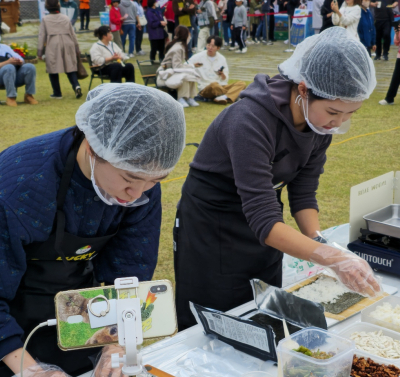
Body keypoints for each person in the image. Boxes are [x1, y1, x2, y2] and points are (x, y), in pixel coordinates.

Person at [0, 83, 186, 377]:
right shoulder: (20, 186)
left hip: (74, 309)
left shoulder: (141, 187)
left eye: (154, 180)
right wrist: (31, 375)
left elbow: (129, 276)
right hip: (3, 312)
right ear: (94, 148)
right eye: (129, 178)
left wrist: (115, 345)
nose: (136, 194)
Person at [173, 28, 381, 330]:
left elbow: (303, 191)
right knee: (218, 321)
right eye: (334, 112)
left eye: (350, 114)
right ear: (304, 89)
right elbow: (262, 217)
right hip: (213, 225)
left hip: (268, 224)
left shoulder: (318, 125)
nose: (339, 123)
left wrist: (318, 240)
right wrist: (329, 257)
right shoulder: (249, 120)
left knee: (265, 312)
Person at [0, 24, 38, 107]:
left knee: (30, 67)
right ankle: (11, 97)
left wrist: (19, 61)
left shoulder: (4, 47)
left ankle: (29, 95)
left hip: (13, 75)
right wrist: (8, 62)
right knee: (9, 67)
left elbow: (20, 58)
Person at [38, 0, 83, 100]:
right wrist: (76, 47)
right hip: (68, 42)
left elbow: (42, 36)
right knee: (70, 66)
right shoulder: (65, 18)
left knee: (52, 68)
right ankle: (76, 86)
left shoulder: (45, 19)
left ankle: (57, 93)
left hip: (53, 43)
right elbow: (73, 34)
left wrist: (40, 51)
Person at [190, 35, 246, 103]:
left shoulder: (222, 58)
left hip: (221, 86)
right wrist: (193, 66)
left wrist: (222, 74)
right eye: (208, 45)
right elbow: (186, 65)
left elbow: (225, 78)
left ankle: (223, 97)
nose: (210, 48)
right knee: (214, 85)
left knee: (241, 84)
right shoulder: (198, 56)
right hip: (206, 87)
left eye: (213, 46)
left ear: (218, 48)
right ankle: (231, 95)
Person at [158, 25, 199, 106]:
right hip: (165, 74)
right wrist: (190, 67)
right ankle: (181, 97)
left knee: (191, 73)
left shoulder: (181, 46)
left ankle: (190, 97)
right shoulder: (178, 48)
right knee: (185, 75)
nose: (190, 36)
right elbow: (177, 67)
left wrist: (191, 66)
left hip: (171, 71)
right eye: (188, 34)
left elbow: (178, 65)